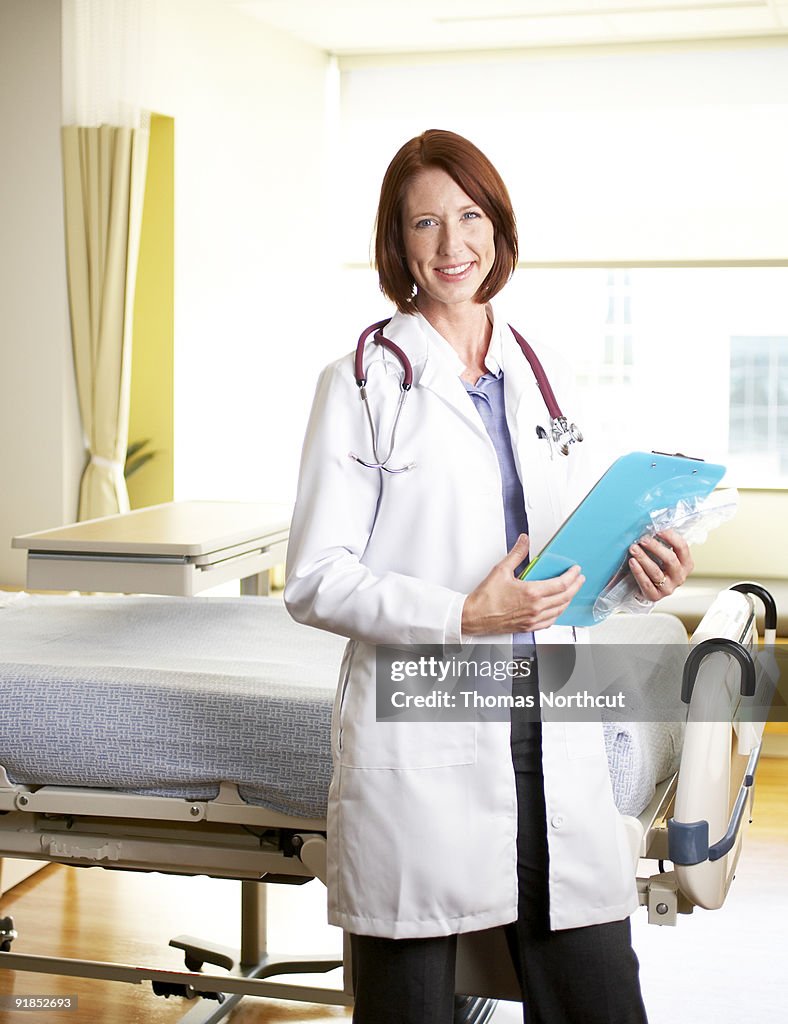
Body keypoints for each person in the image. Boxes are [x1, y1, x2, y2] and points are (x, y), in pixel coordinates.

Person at [284, 129, 693, 1024]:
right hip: (422, 716)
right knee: (410, 1007)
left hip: (551, 714)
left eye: (469, 216)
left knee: (598, 997)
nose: (451, 245)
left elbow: (565, 563)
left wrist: (638, 573)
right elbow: (313, 578)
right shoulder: (359, 384)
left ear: (498, 228)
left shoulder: (539, 375)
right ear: (399, 244)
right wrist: (464, 613)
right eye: (424, 223)